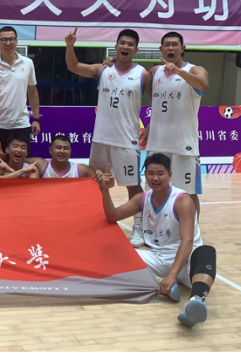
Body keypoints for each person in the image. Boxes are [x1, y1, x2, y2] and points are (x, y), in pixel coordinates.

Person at [99, 153, 217, 328]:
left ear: (170, 175)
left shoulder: (182, 200)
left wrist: (172, 275)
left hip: (185, 259)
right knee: (113, 253)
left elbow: (187, 242)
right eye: (151, 173)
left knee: (207, 252)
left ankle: (195, 301)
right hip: (157, 257)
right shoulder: (143, 198)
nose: (155, 178)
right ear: (145, 175)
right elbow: (113, 215)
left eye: (160, 173)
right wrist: (105, 190)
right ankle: (158, 281)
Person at [66, 27, 152, 247]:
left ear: (136, 50)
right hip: (101, 138)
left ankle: (139, 227)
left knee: (133, 185)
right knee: (94, 182)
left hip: (127, 139)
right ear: (116, 46)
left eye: (130, 44)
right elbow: (74, 66)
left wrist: (150, 126)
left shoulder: (143, 75)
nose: (125, 47)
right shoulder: (103, 70)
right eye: (122, 43)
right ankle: (95, 222)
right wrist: (70, 46)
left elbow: (160, 102)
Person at [143, 32, 209, 225]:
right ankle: (154, 228)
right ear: (161, 49)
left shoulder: (195, 70)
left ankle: (192, 231)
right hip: (158, 142)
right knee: (154, 190)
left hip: (184, 144)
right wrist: (149, 126)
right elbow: (157, 102)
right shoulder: (155, 72)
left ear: (182, 48)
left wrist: (179, 72)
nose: (171, 48)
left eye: (175, 44)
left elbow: (203, 84)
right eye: (167, 45)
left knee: (187, 192)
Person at [0, 26, 41, 168]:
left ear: (16, 41)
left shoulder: (27, 63)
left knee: (23, 168)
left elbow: (32, 92)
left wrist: (36, 119)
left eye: (11, 39)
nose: (8, 43)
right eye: (4, 40)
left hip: (21, 124)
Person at [0, 135, 102, 180]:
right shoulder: (41, 164)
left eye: (65, 148)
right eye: (58, 148)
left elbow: (106, 183)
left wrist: (100, 175)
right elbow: (19, 157)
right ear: (50, 150)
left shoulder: (81, 169)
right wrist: (4, 156)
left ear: (70, 152)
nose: (62, 151)